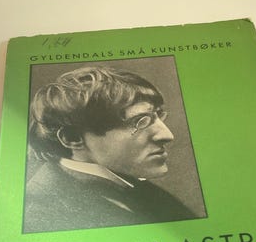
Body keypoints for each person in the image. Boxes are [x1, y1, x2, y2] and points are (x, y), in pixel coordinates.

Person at [24, 65, 196, 232]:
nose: (167, 135)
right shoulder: (40, 213)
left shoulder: (134, 187)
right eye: (139, 122)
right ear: (73, 138)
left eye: (158, 115)